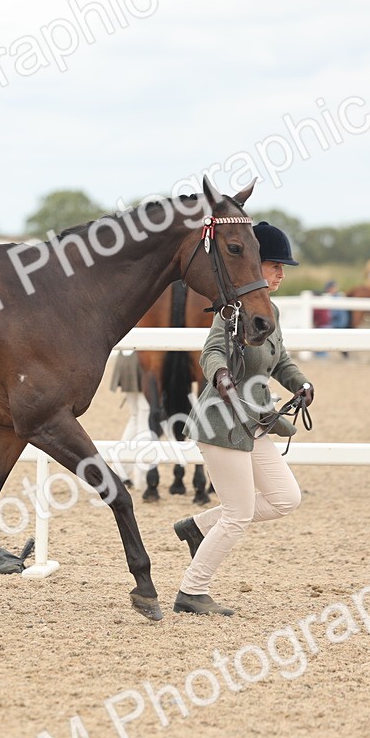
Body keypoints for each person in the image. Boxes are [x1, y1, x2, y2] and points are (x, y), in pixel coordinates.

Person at [171, 222, 314, 615]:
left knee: (286, 498)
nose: (282, 273)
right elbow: (212, 351)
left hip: (253, 422)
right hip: (221, 422)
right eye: (275, 266)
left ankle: (197, 527)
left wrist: (300, 382)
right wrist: (220, 376)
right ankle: (191, 592)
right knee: (238, 516)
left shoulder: (271, 312)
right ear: (255, 266)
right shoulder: (232, 310)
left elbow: (279, 359)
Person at [109, 350, 148, 487]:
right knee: (144, 418)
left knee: (136, 417)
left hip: (125, 361)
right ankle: (142, 477)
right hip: (141, 364)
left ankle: (120, 470)